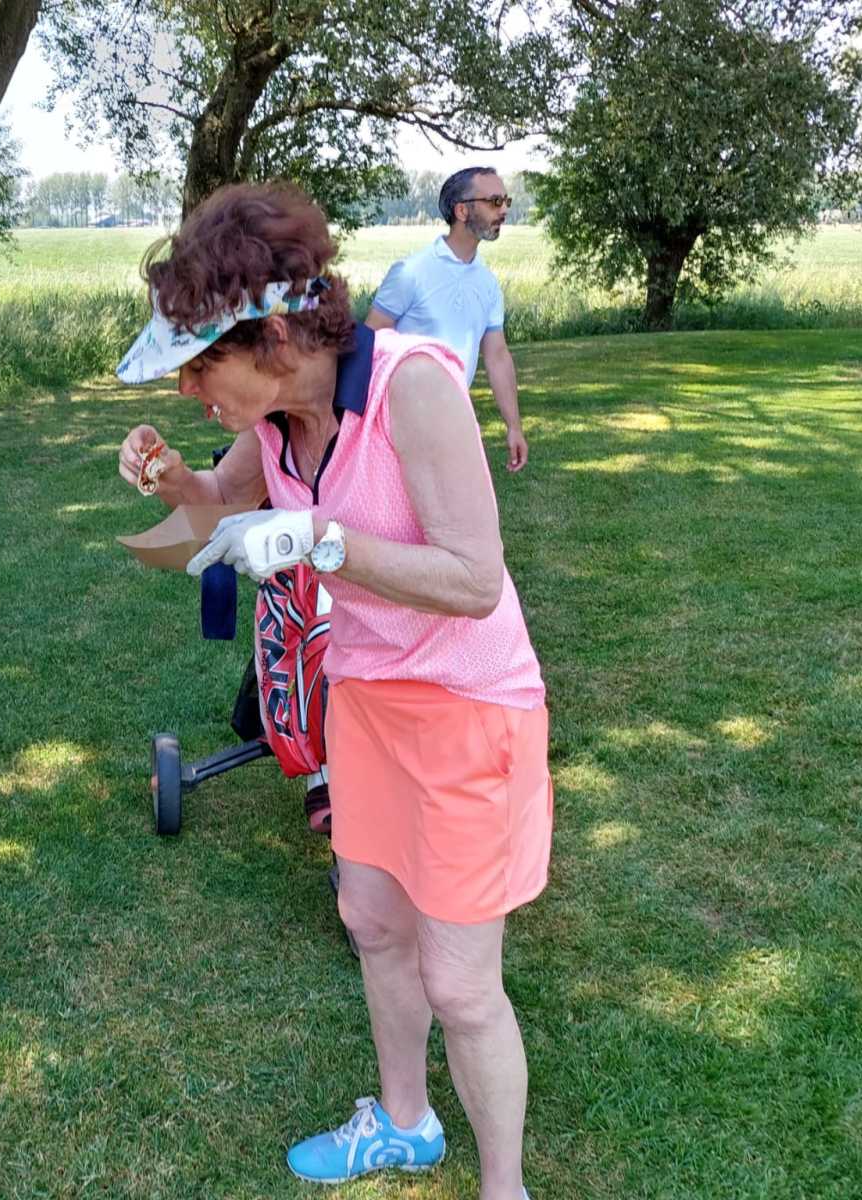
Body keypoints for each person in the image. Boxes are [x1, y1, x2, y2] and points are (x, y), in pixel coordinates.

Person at [115, 182, 550, 1200]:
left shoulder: (411, 387)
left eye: (200, 365)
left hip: (467, 707)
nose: (187, 388)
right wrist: (170, 479)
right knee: (374, 926)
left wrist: (322, 540)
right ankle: (404, 1124)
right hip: (363, 700)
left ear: (272, 336)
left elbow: (473, 579)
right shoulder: (277, 418)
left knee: (460, 984)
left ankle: (506, 1189)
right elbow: (216, 504)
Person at [366, 166, 529, 473]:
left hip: (457, 418)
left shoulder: (488, 283)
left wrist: (514, 426)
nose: (504, 210)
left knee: (461, 503)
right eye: (495, 201)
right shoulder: (410, 273)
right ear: (462, 210)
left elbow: (497, 355)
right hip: (400, 424)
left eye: (506, 201)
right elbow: (370, 344)